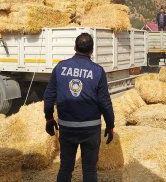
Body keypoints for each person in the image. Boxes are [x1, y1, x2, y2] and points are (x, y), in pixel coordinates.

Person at [44, 33, 115, 182]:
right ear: (92, 50)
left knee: (65, 168)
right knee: (89, 170)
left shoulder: (60, 67)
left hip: (67, 127)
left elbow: (49, 96)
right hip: (91, 129)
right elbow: (105, 102)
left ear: (75, 47)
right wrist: (110, 125)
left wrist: (49, 118)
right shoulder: (98, 71)